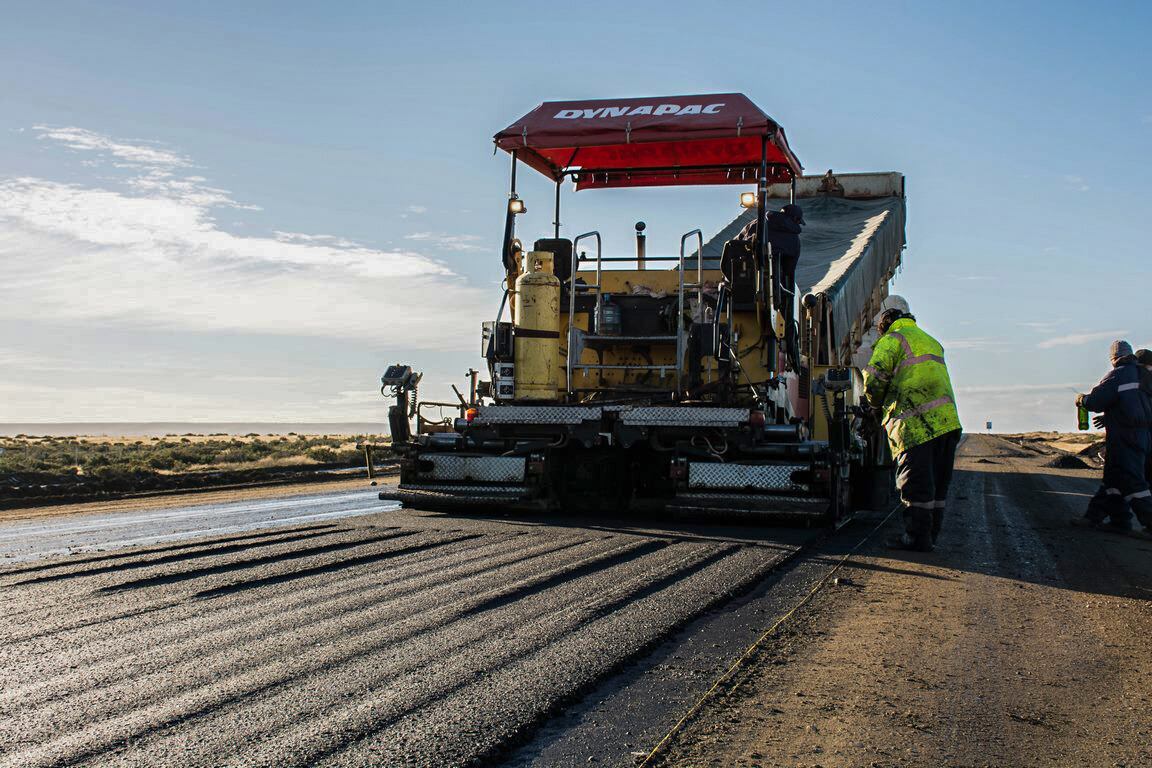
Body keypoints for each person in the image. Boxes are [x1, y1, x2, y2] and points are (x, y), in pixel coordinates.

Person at [862, 305, 963, 551]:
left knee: (916, 485)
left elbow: (874, 381)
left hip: (916, 424)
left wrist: (874, 406)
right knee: (937, 486)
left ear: (884, 327)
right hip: (947, 423)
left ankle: (916, 538)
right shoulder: (931, 341)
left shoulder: (892, 340)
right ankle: (929, 537)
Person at [1074, 340, 1152, 536]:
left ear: (1114, 358)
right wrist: (1111, 416)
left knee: (1133, 480)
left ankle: (1150, 523)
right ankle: (1110, 520)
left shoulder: (1118, 375)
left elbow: (1096, 401)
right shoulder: (1143, 375)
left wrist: (1082, 400)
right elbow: (1135, 405)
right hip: (1142, 435)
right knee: (1113, 479)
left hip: (1125, 436)